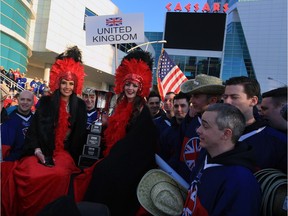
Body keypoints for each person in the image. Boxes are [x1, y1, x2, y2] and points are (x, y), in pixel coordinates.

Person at [2, 46, 88, 216]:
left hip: (63, 153)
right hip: (40, 151)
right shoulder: (46, 103)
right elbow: (33, 131)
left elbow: (79, 139)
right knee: (28, 173)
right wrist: (38, 151)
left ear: (76, 85)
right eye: (64, 83)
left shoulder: (81, 107)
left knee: (58, 174)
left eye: (71, 84)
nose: (67, 87)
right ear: (58, 82)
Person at [83, 50, 158, 215]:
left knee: (103, 173)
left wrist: (113, 159)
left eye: (134, 85)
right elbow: (119, 131)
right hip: (120, 155)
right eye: (127, 84)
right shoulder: (122, 104)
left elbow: (135, 142)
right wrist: (107, 123)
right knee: (98, 170)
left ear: (141, 87)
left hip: (132, 162)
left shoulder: (141, 110)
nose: (130, 88)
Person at [182, 103, 261, 215]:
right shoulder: (206, 157)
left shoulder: (240, 182)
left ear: (226, 134)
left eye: (205, 126)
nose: (198, 130)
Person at [223, 76, 287, 173]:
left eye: (234, 97)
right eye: (225, 97)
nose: (227, 102)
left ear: (253, 101)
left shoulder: (279, 142)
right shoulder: (213, 132)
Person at [169, 74, 225, 182]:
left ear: (213, 100)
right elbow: (178, 150)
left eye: (197, 96)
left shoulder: (223, 128)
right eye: (192, 96)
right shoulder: (190, 120)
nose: (191, 100)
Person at [1, 90, 34, 161]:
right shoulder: (8, 122)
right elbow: (4, 152)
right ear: (18, 100)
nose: (25, 102)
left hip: (33, 161)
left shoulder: (36, 120)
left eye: (28, 100)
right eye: (22, 99)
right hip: (15, 164)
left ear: (33, 102)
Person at [158, 92, 190, 162]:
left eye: (182, 106)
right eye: (176, 106)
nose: (179, 109)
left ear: (189, 107)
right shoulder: (166, 134)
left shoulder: (196, 130)